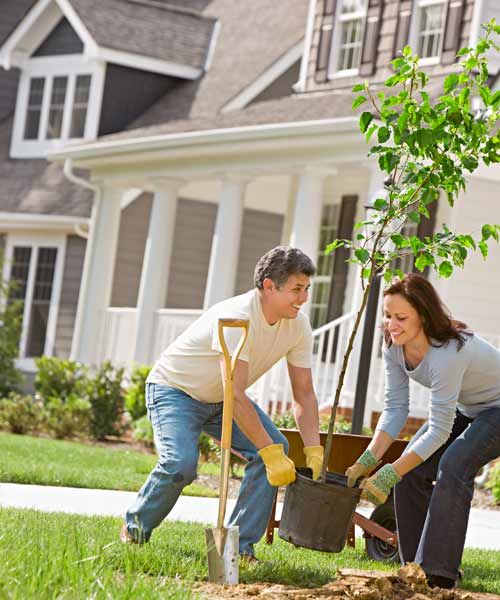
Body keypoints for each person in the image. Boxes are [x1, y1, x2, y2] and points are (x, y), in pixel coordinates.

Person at [120, 246, 324, 560]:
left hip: (222, 398)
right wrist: (268, 452)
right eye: (297, 289)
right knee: (180, 466)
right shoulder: (237, 318)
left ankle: (236, 550)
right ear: (269, 286)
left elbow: (304, 394)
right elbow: (237, 395)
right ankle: (134, 531)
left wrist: (313, 448)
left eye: (307, 289)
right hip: (175, 390)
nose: (304, 298)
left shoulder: (297, 325)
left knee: (275, 449)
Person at [345, 273, 500, 589]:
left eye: (401, 317)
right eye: (388, 316)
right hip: (467, 408)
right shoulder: (394, 347)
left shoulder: (448, 352)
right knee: (410, 473)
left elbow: (440, 430)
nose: (392, 324)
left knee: (454, 465)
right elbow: (395, 410)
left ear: (424, 316)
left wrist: (388, 473)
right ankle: (414, 571)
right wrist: (367, 460)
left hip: (497, 409)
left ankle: (440, 575)